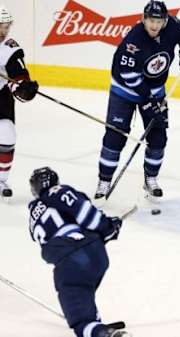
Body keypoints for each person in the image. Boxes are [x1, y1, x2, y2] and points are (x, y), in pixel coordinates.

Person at [95, 0, 180, 201]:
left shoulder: (173, 25)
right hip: (124, 90)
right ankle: (104, 181)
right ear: (143, 19)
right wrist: (147, 100)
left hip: (155, 89)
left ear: (165, 20)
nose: (154, 25)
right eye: (150, 20)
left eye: (158, 21)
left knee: (158, 136)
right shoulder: (134, 40)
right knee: (115, 137)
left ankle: (150, 179)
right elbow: (128, 74)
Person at [28, 167, 131, 337]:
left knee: (82, 322)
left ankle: (102, 332)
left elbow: (59, 235)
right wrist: (107, 227)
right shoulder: (59, 192)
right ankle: (97, 325)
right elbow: (86, 214)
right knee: (85, 293)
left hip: (70, 263)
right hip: (95, 254)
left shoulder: (33, 214)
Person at [0, 6, 38, 198]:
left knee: (7, 134)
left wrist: (24, 88)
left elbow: (18, 76)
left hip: (0, 96)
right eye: (1, 27)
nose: (4, 31)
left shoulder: (9, 47)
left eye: (7, 26)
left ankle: (1, 179)